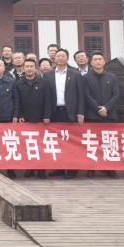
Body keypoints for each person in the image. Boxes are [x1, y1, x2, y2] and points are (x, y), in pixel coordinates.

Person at [44, 48, 85, 179]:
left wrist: (80, 113)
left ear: (67, 58)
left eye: (63, 56)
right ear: (54, 58)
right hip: (55, 112)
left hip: (70, 112)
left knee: (71, 142)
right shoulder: (48, 75)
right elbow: (46, 97)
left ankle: (73, 169)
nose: (60, 58)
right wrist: (46, 114)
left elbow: (81, 95)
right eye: (58, 56)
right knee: (57, 141)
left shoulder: (75, 74)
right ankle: (60, 168)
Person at [83, 51, 120, 178]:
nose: (98, 61)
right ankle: (92, 168)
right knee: (93, 143)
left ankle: (109, 168)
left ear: (104, 62)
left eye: (100, 59)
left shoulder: (112, 77)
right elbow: (86, 95)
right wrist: (97, 108)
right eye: (95, 59)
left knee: (109, 142)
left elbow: (116, 94)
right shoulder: (86, 78)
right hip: (92, 115)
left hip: (109, 115)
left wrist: (106, 108)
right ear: (91, 62)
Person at [14, 58, 48, 178]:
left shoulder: (43, 82)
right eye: (27, 66)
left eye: (31, 66)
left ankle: (41, 170)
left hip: (41, 119)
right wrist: (20, 115)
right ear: (23, 68)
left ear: (35, 68)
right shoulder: (18, 83)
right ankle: (30, 168)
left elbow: (48, 100)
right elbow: (17, 101)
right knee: (28, 144)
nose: (29, 69)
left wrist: (46, 115)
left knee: (41, 145)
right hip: (26, 119)